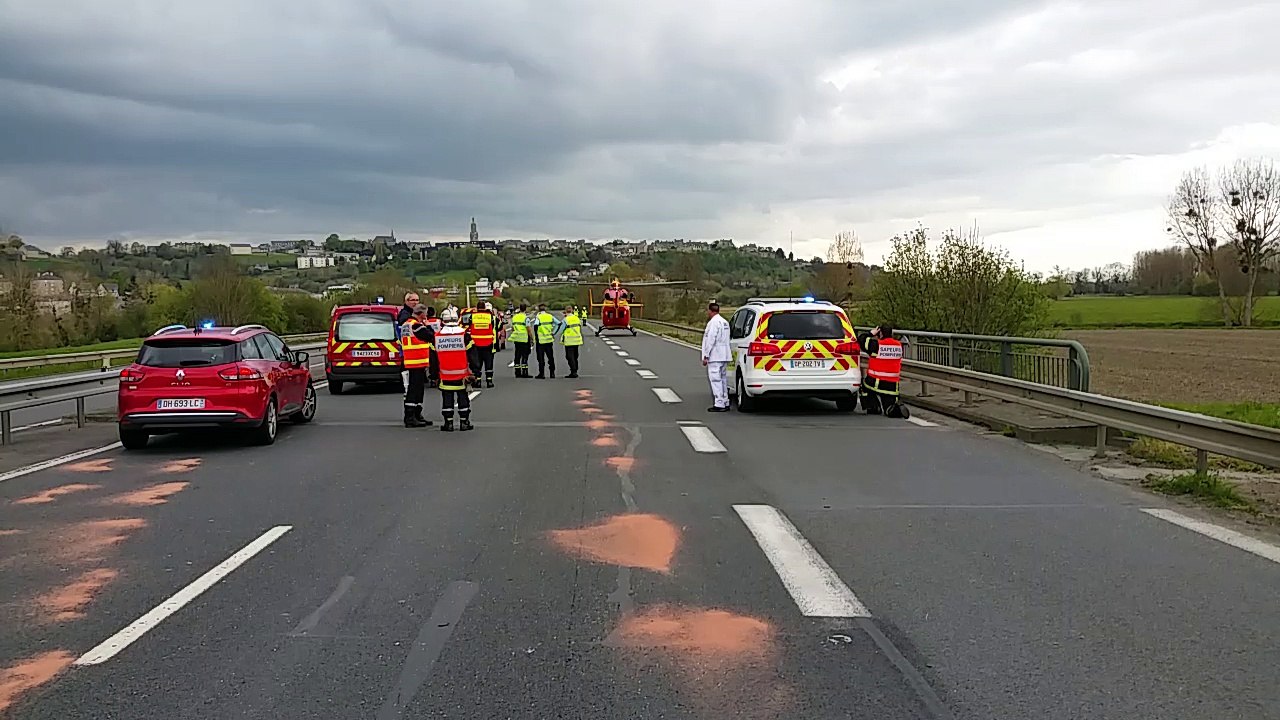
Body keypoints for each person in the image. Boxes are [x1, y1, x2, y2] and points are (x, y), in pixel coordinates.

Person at [434, 307, 474, 431]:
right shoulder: (464, 335)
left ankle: (448, 423)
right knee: (463, 398)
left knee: (447, 399)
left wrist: (434, 375)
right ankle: (464, 423)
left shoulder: (437, 336)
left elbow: (433, 359)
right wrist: (475, 372)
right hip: (462, 376)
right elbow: (473, 355)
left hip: (445, 375)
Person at [398, 304, 435, 428]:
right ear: (422, 314)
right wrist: (427, 324)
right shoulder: (416, 326)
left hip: (412, 361)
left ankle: (417, 415)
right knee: (414, 391)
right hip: (416, 362)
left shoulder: (406, 325)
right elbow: (431, 335)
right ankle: (410, 417)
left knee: (417, 390)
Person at [860, 324, 904, 416]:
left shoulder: (876, 345)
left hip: (875, 382)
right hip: (892, 385)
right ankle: (892, 409)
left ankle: (873, 407)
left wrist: (871, 333)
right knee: (889, 404)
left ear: (880, 334)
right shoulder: (899, 345)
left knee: (863, 387)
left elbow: (861, 339)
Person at [701, 301, 731, 412]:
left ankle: (719, 403)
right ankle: (725, 400)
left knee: (715, 379)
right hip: (724, 354)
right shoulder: (724, 322)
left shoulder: (713, 323)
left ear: (710, 311)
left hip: (715, 354)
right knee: (723, 379)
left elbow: (710, 340)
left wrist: (706, 355)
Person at [466, 301, 497, 388]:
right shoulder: (490, 316)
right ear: (484, 307)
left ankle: (478, 381)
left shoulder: (472, 316)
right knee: (488, 362)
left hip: (476, 343)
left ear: (477, 307)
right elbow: (494, 326)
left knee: (477, 362)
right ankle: (489, 381)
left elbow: (469, 326)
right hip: (488, 342)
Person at [396, 291, 420, 392]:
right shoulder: (405, 315)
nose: (415, 302)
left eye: (417, 300)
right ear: (406, 301)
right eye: (412, 300)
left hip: (414, 351)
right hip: (408, 350)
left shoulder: (413, 314)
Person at [532, 303, 562, 379]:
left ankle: (541, 374)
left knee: (541, 358)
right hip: (549, 340)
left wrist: (536, 337)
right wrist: (553, 332)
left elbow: (535, 326)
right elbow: (559, 323)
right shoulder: (550, 316)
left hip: (541, 341)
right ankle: (552, 373)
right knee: (550, 357)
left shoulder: (538, 317)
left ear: (539, 309)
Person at [509, 302, 532, 378]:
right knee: (525, 356)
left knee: (517, 355)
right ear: (525, 309)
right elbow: (528, 329)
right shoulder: (526, 318)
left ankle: (517, 372)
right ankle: (525, 372)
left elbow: (512, 328)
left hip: (517, 338)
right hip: (524, 339)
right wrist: (531, 338)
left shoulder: (515, 317)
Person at [561, 304, 583, 378]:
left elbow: (561, 329)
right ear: (572, 310)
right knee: (575, 356)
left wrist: (553, 333)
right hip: (577, 339)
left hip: (569, 340)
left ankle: (573, 371)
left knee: (569, 357)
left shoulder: (566, 319)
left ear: (565, 311)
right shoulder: (577, 318)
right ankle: (575, 370)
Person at [424, 306, 441, 387]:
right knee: (439, 362)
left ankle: (433, 379)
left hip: (429, 344)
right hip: (439, 343)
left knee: (432, 363)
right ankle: (439, 377)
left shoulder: (424, 322)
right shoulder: (439, 321)